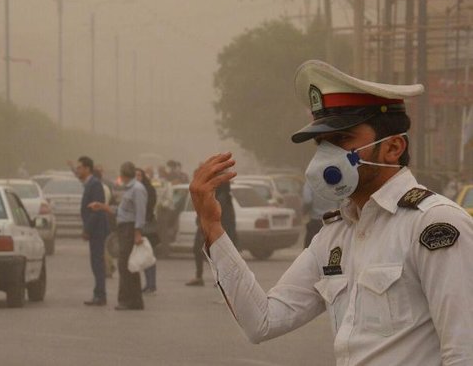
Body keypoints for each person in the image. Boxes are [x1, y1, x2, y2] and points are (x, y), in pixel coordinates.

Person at [190, 60, 473, 365]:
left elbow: (463, 351)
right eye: (322, 143)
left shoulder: (434, 225)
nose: (327, 156)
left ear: (392, 148)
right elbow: (263, 321)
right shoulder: (335, 234)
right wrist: (212, 226)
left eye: (341, 140)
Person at [89, 161, 146, 310]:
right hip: (124, 228)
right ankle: (134, 301)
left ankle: (127, 300)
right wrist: (102, 207)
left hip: (130, 229)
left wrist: (138, 232)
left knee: (125, 265)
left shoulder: (137, 189)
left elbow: (140, 212)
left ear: (123, 174)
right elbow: (121, 211)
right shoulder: (129, 189)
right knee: (128, 265)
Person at [186, 180, 236, 286]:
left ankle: (221, 278)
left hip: (210, 230)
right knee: (201, 251)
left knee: (213, 254)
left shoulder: (221, 198)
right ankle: (202, 277)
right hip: (208, 229)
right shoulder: (219, 196)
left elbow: (217, 216)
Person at [75, 156, 109, 306]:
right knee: (95, 262)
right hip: (94, 229)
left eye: (79, 167)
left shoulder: (95, 184)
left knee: (97, 262)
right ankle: (98, 293)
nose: (78, 170)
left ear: (87, 168)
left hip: (97, 230)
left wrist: (87, 229)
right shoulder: (89, 184)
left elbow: (96, 210)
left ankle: (100, 295)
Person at [136, 168, 158, 294]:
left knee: (149, 256)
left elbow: (149, 207)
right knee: (144, 257)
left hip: (148, 226)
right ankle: (148, 283)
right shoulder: (136, 189)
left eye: (139, 175)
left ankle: (151, 284)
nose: (137, 177)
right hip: (141, 225)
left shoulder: (148, 189)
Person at [302, 180, 340, 247]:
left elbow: (307, 200)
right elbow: (341, 200)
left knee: (311, 249)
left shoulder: (310, 182)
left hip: (316, 221)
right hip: (333, 221)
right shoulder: (336, 180)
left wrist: (304, 212)